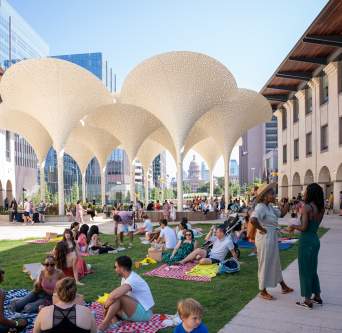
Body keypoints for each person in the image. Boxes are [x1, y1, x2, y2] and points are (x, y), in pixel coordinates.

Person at [250, 183, 293, 300]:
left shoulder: (269, 207)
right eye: (272, 193)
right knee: (265, 264)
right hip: (265, 239)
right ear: (265, 196)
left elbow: (282, 214)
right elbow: (253, 220)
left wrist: (287, 203)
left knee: (275, 262)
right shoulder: (260, 207)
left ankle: (283, 286)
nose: (275, 195)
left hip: (271, 238)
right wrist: (262, 229)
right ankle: (262, 290)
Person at [288, 183, 325, 309]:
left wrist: (293, 226)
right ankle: (317, 296)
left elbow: (303, 227)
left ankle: (307, 300)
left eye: (306, 191)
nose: (304, 193)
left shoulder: (307, 208)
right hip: (315, 239)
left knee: (304, 270)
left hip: (306, 241)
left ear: (310, 193)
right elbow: (314, 225)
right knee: (312, 269)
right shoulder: (321, 208)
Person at [97, 256, 154, 332]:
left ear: (122, 268)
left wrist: (105, 307)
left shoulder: (133, 279)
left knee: (117, 298)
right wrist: (107, 304)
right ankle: (115, 322)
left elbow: (114, 296)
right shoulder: (125, 278)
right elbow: (113, 298)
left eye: (116, 267)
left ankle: (104, 324)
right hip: (134, 308)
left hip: (146, 313)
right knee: (110, 301)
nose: (115, 269)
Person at [0, 267, 28, 333]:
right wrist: (17, 323)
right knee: (24, 322)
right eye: (2, 272)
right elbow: (1, 320)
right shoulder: (1, 293)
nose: (3, 272)